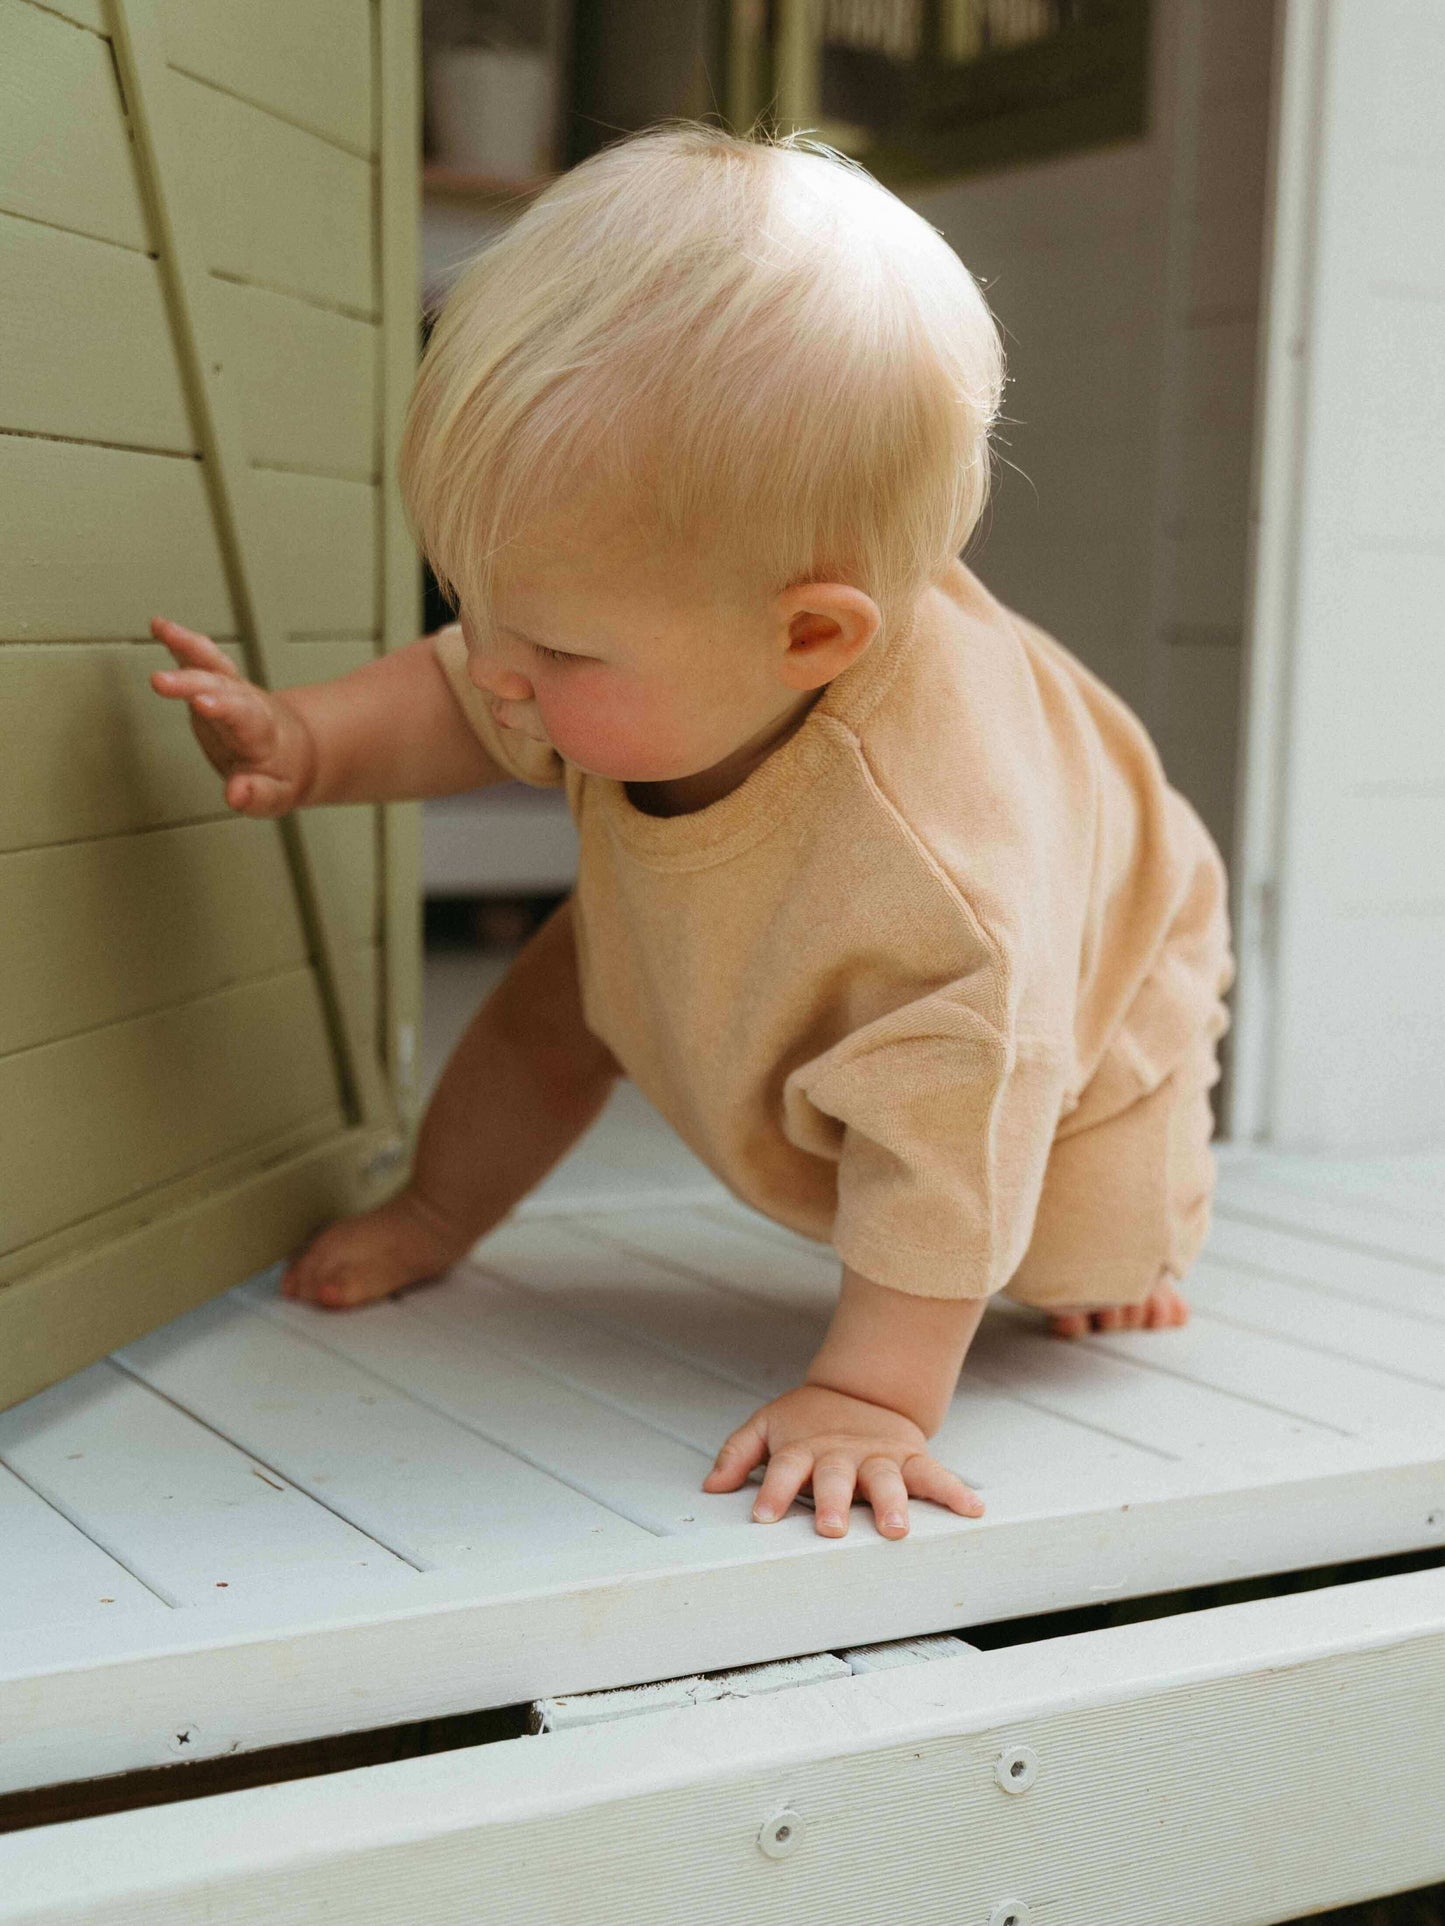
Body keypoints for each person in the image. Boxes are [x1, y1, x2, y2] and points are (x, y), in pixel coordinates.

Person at [147, 121, 1234, 1544]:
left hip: (1089, 980)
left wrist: (874, 1397)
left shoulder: (944, 881)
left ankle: (1135, 1223)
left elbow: (954, 1142)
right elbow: (460, 696)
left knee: (1063, 1261)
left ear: (806, 636)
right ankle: (435, 1209)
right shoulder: (607, 638)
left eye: (549, 648)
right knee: (562, 1001)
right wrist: (304, 741)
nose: (490, 665)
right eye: (472, 601)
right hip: (739, 888)